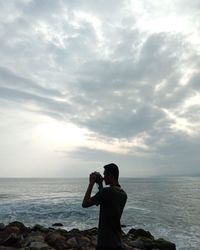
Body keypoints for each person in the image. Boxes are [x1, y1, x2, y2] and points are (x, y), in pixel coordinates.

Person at [82, 163, 127, 250]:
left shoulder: (106, 192)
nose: (103, 177)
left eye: (105, 174)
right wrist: (100, 185)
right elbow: (105, 200)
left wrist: (91, 183)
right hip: (117, 242)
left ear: (110, 175)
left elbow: (85, 204)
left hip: (105, 242)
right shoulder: (123, 194)